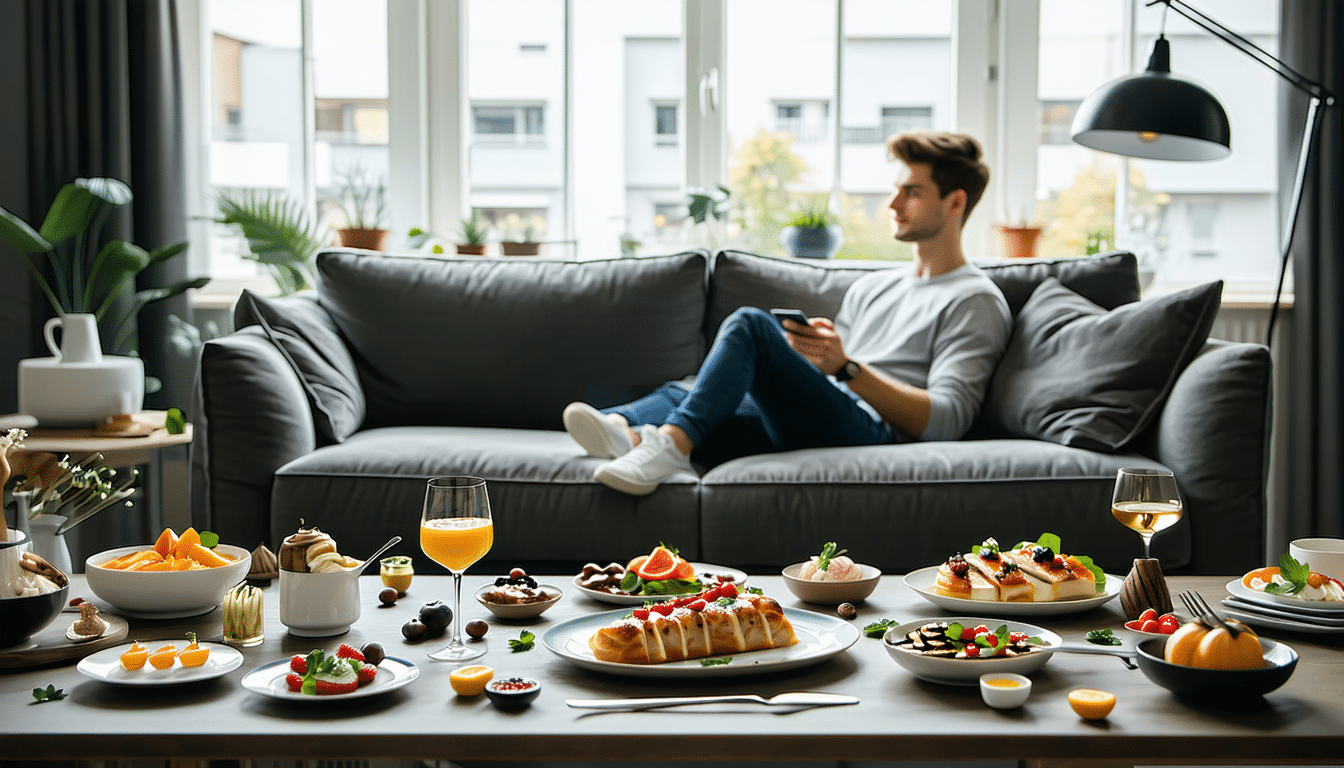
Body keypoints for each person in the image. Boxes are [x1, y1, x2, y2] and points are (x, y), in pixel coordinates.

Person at [564, 131, 1012, 495]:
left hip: (875, 431)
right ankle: (625, 429)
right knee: (705, 394)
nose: (893, 205)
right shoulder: (874, 286)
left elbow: (947, 420)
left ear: (955, 203)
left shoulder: (975, 300)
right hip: (827, 413)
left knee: (750, 326)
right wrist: (817, 357)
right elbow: (833, 375)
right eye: (896, 190)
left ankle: (665, 446)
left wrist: (847, 367)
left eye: (911, 192)